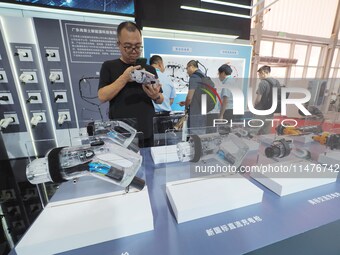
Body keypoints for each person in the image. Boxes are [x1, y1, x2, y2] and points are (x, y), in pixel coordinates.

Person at [98, 21, 164, 147]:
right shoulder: (109, 66)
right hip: (122, 135)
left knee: (150, 165)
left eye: (138, 46)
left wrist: (155, 95)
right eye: (128, 46)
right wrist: (124, 78)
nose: (134, 51)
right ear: (118, 44)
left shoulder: (149, 69)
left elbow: (160, 99)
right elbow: (102, 96)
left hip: (148, 130)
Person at [179, 60, 207, 130]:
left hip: (196, 113)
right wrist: (186, 102)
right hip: (203, 110)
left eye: (187, 68)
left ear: (191, 66)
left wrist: (186, 107)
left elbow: (189, 98)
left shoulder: (194, 77)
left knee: (194, 134)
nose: (187, 71)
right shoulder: (204, 75)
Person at [253, 65, 281, 135]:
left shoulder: (263, 83)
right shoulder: (276, 82)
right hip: (271, 110)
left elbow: (258, 99)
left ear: (263, 73)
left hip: (261, 111)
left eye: (259, 74)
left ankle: (251, 145)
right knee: (266, 132)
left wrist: (254, 106)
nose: (259, 76)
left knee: (253, 130)